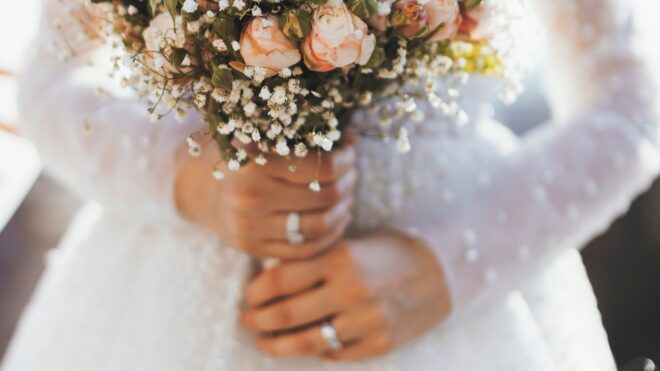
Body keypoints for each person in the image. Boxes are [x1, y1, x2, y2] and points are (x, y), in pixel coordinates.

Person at [2, 0, 658, 370]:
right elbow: (50, 84)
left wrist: (451, 262)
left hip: (449, 318)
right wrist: (188, 179)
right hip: (163, 306)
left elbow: (632, 110)